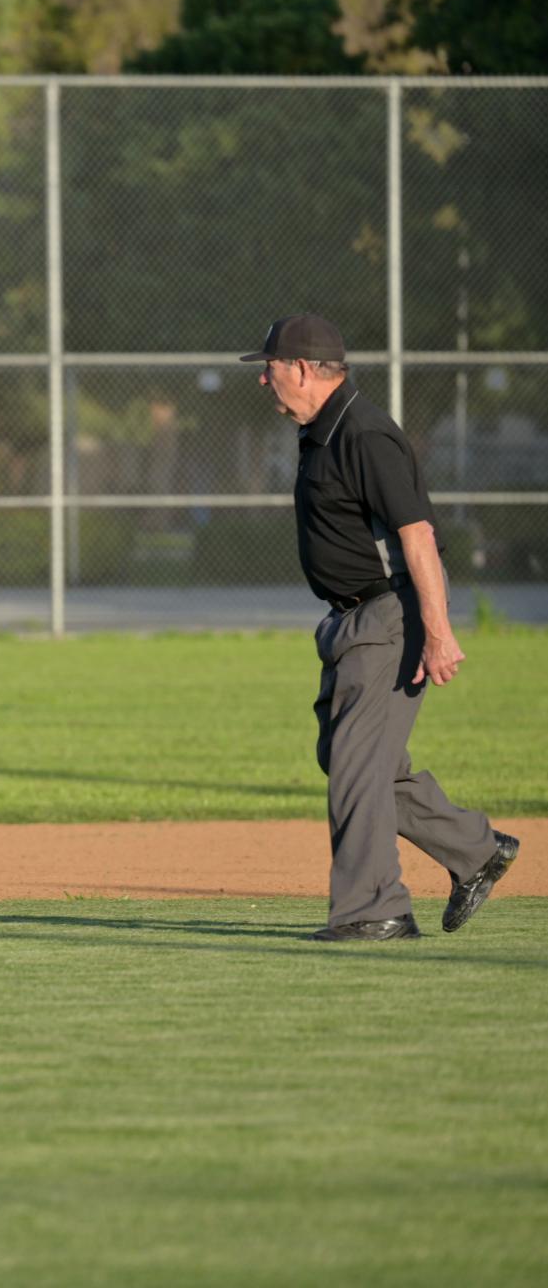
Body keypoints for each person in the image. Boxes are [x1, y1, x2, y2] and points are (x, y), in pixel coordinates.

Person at [241, 314, 518, 941]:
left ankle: (375, 908)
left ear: (305, 369)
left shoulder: (365, 434)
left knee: (356, 768)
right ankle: (475, 852)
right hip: (352, 621)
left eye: (271, 366)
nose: (264, 379)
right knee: (354, 762)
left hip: (388, 616)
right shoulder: (324, 432)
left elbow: (417, 534)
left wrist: (438, 631)